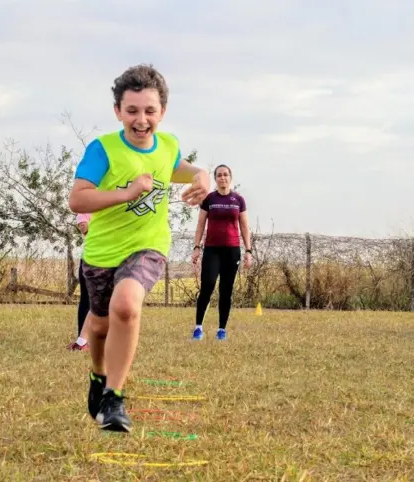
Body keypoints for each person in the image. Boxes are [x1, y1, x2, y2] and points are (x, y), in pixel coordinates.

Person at [68, 64, 210, 433]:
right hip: (102, 251)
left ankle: (114, 398)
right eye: (132, 111)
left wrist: (203, 176)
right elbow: (78, 200)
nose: (141, 120)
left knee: (127, 307)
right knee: (98, 327)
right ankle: (98, 377)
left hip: (148, 245)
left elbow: (177, 166)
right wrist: (126, 193)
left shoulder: (168, 144)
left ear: (162, 111)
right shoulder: (103, 150)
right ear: (118, 111)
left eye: (150, 111)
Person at [191, 165, 253, 341]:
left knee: (226, 290)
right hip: (212, 250)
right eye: (219, 175)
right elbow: (201, 224)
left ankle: (221, 330)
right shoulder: (209, 199)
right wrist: (196, 247)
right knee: (208, 286)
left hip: (232, 251)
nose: (222, 178)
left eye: (225, 175)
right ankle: (198, 328)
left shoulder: (238, 200)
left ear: (230, 178)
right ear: (215, 178)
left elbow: (244, 226)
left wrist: (248, 250)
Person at [69, 212, 93, 351]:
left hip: (113, 256)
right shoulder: (85, 207)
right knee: (86, 300)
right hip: (91, 258)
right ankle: (82, 339)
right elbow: (84, 227)